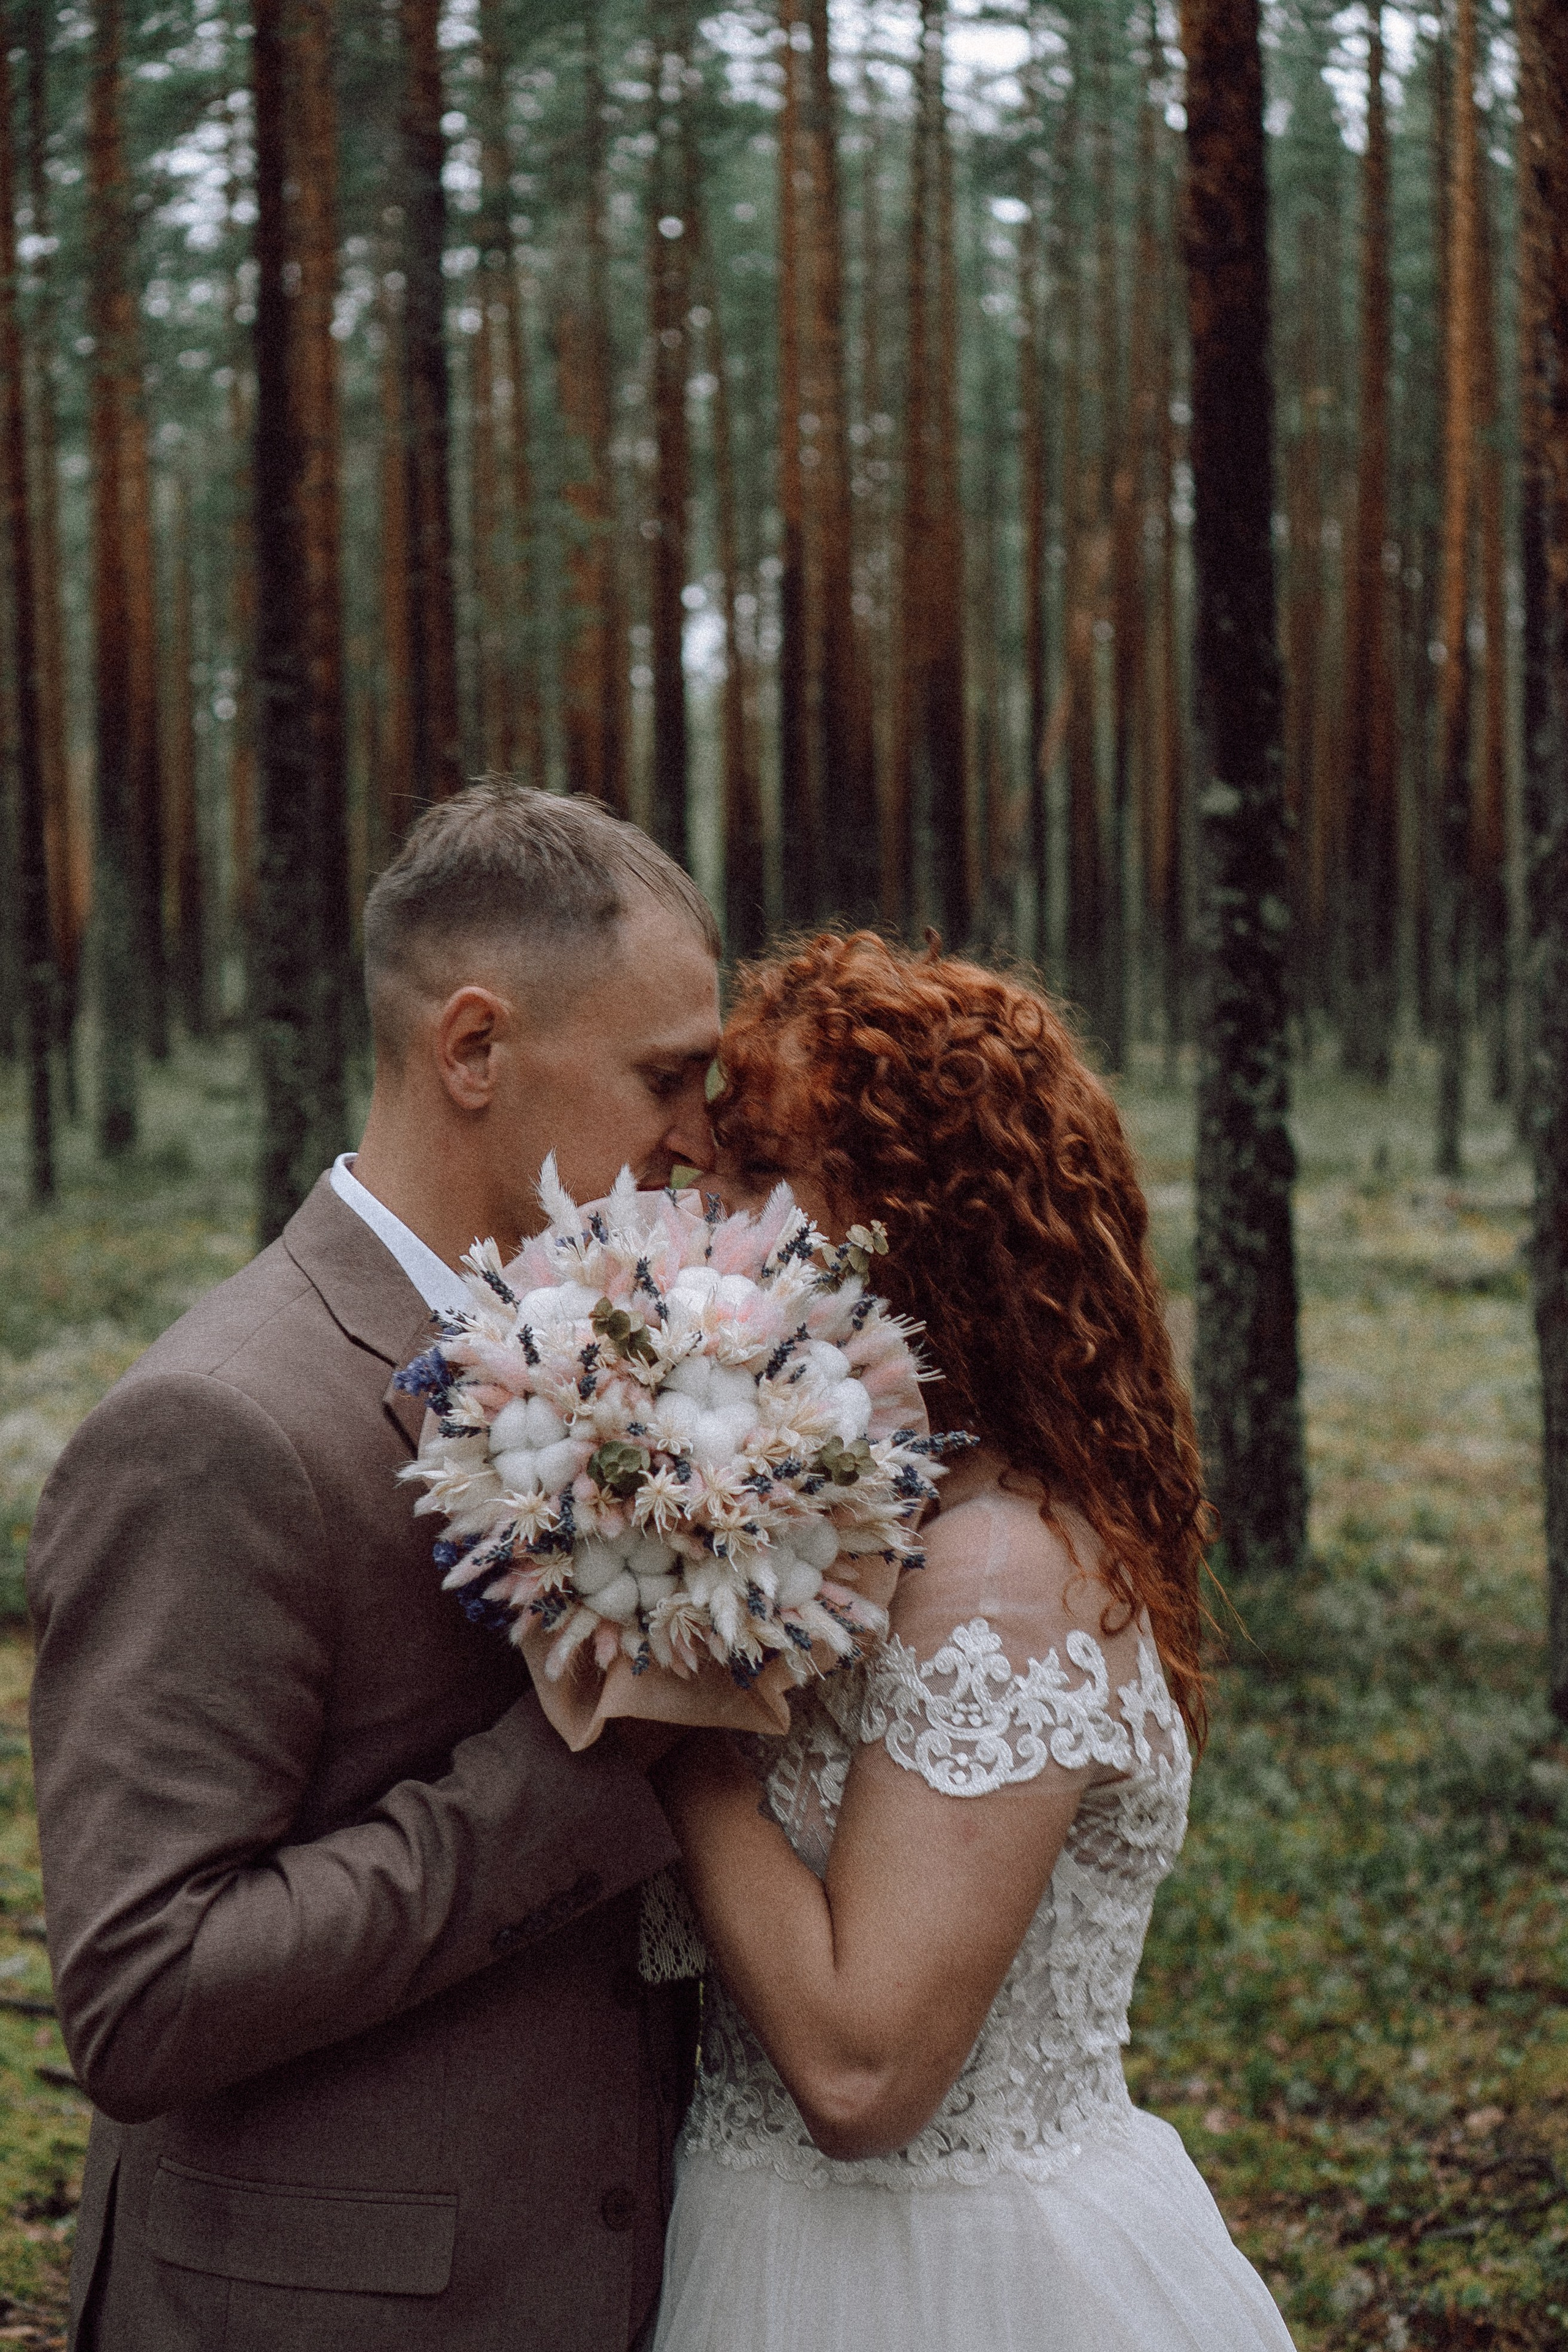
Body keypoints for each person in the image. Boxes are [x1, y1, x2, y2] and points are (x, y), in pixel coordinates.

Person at [28, 783, 721, 2352]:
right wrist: (580, 1770)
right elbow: (142, 1993)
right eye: (664, 1076)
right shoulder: (218, 1428)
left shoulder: (628, 1357)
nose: (699, 1135)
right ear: (472, 1049)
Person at [647, 932, 1297, 2352]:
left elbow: (862, 2074)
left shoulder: (998, 1570)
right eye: (713, 1169)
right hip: (746, 2237)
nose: (703, 1215)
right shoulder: (857, 1513)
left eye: (759, 1173)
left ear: (915, 1218)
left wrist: (664, 1717)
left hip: (942, 2282)